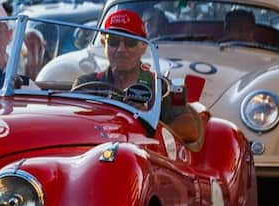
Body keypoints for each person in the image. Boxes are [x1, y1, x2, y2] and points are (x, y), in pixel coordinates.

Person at [72, 10, 202, 143]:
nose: (121, 49)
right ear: (104, 44)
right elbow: (72, 124)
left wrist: (148, 123)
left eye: (130, 42)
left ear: (144, 46)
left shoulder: (164, 87)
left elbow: (190, 130)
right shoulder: (85, 84)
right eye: (114, 41)